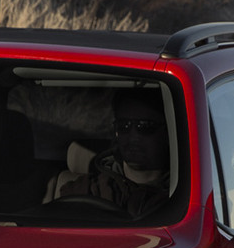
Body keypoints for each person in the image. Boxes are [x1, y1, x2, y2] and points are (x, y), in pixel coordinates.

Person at [45, 90, 176, 217]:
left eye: (146, 126)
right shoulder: (89, 189)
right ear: (116, 132)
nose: (133, 137)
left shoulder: (182, 197)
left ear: (167, 133)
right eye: (124, 126)